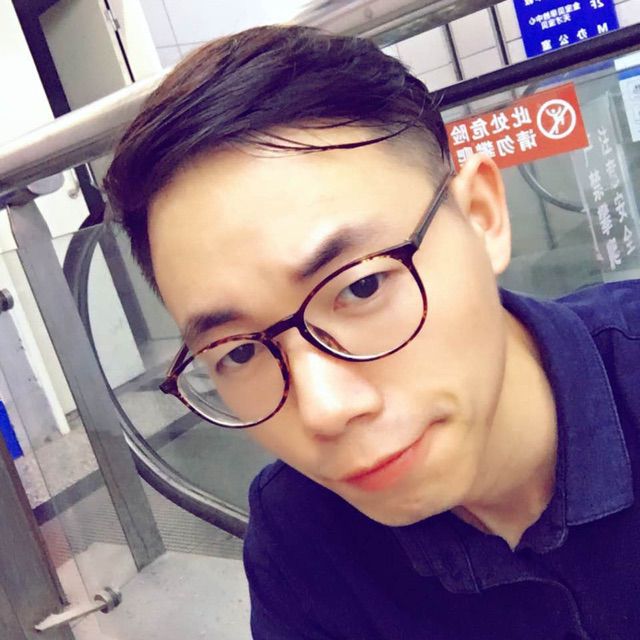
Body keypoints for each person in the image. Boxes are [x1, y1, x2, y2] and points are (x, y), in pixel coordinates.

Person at [104, 25, 640, 639]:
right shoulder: (299, 540)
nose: (325, 410)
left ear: (482, 217)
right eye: (240, 351)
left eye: (361, 287)